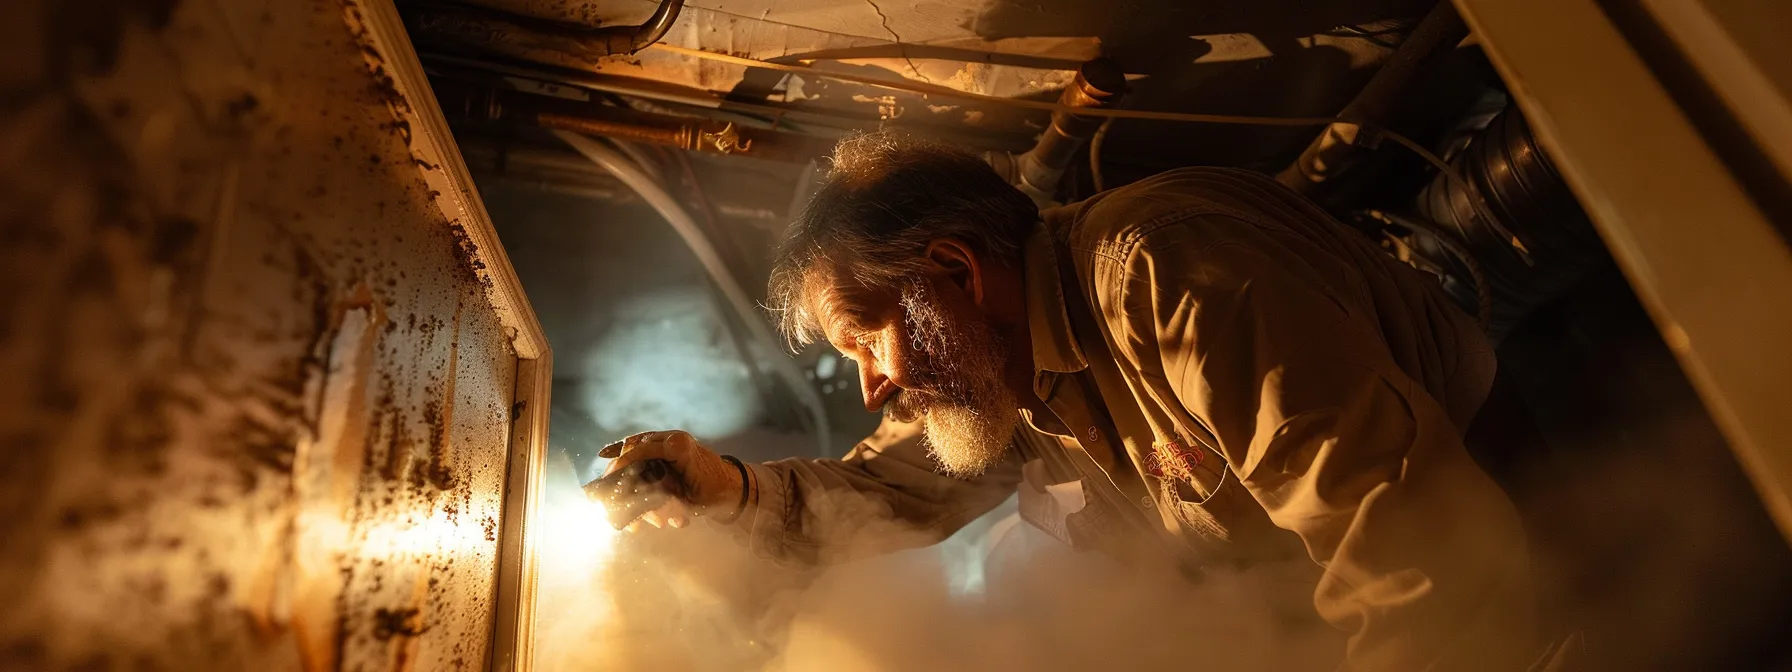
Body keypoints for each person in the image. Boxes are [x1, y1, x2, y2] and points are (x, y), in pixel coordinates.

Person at [594, 131, 1542, 671]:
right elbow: (887, 490)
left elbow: (1409, 540)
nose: (875, 384)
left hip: (1534, 537)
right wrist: (729, 491)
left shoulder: (1166, 272)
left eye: (865, 339)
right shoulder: (1003, 371)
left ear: (952, 274)